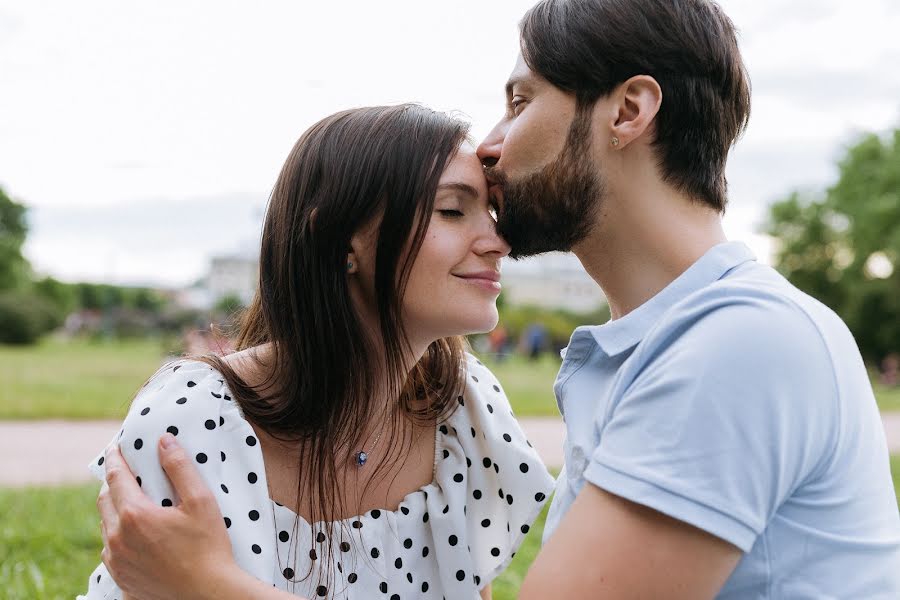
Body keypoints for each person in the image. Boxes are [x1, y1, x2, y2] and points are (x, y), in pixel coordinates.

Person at [97, 0, 900, 597]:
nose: (491, 143)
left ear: (628, 110)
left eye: (519, 101)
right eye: (451, 209)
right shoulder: (661, 348)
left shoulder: (735, 347)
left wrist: (210, 588)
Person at [80, 103, 554, 600]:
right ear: (342, 238)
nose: (498, 241)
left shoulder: (463, 410)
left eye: (491, 213)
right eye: (453, 210)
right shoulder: (195, 419)